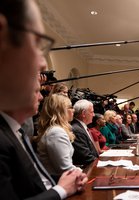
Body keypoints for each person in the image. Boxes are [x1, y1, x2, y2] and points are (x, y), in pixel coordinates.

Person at [0, 0, 87, 199]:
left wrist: (64, 181)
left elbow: (34, 182)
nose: (42, 65)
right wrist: (61, 190)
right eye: (37, 43)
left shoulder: (14, 129)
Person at [36, 94, 77, 182]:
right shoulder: (56, 132)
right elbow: (65, 168)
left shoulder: (56, 130)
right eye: (70, 107)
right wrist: (84, 174)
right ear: (60, 111)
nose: (73, 110)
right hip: (56, 182)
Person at [71, 99, 99, 166]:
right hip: (86, 169)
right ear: (83, 113)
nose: (94, 115)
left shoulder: (81, 127)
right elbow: (86, 157)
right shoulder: (77, 130)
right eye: (92, 112)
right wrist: (101, 163)